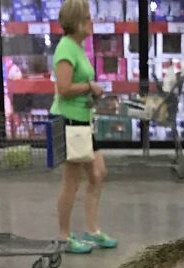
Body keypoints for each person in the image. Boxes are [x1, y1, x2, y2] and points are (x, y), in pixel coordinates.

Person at [50, 0, 117, 254]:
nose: (92, 22)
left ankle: (93, 230)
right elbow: (63, 89)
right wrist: (90, 87)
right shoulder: (65, 49)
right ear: (76, 22)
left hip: (83, 120)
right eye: (88, 17)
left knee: (98, 173)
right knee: (71, 181)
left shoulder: (78, 47)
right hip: (70, 121)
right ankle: (64, 236)